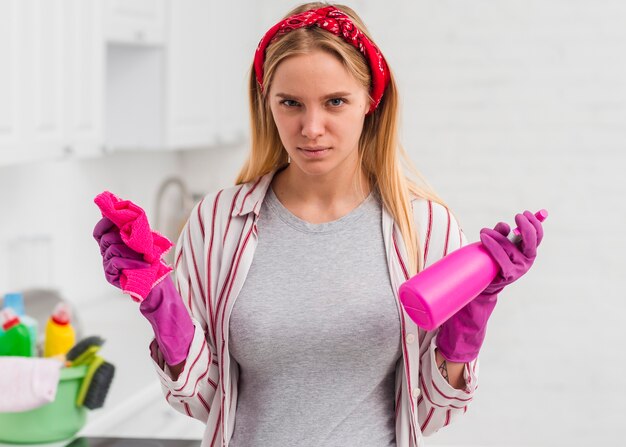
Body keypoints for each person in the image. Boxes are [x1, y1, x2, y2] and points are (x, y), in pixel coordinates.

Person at [93, 3, 544, 447]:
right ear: (266, 101)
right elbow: (200, 398)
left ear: (371, 100)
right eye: (291, 103)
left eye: (335, 102)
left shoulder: (424, 226)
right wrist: (159, 301)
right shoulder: (219, 222)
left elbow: (432, 412)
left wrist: (467, 324)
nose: (311, 128)